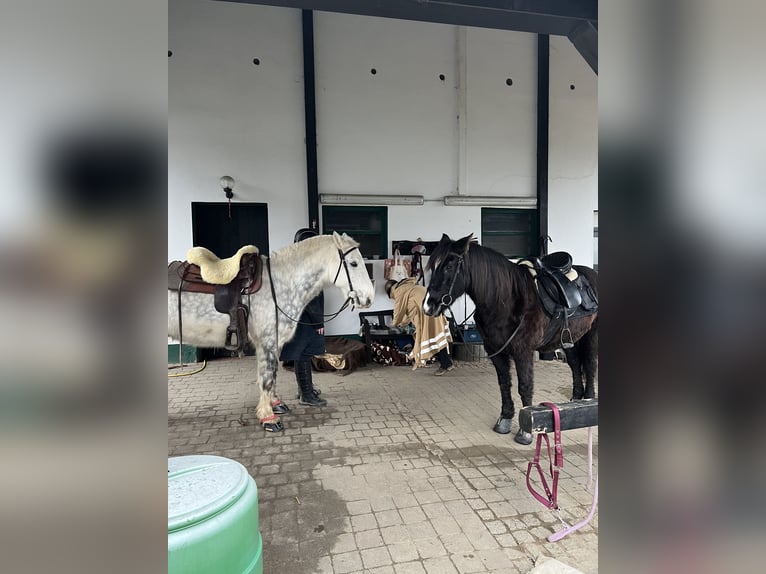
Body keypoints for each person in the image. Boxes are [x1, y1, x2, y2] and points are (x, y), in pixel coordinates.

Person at [278, 228, 327, 407]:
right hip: (304, 319)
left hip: (297, 317)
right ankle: (306, 395)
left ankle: (304, 390)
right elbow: (309, 298)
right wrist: (318, 321)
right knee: (304, 354)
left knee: (301, 354)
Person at [385, 277, 455, 375]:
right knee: (437, 337)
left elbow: (398, 311)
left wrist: (394, 324)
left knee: (433, 338)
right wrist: (402, 323)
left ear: (390, 292)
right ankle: (446, 362)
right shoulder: (409, 287)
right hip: (434, 308)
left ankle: (445, 364)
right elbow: (409, 309)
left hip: (427, 314)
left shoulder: (398, 291)